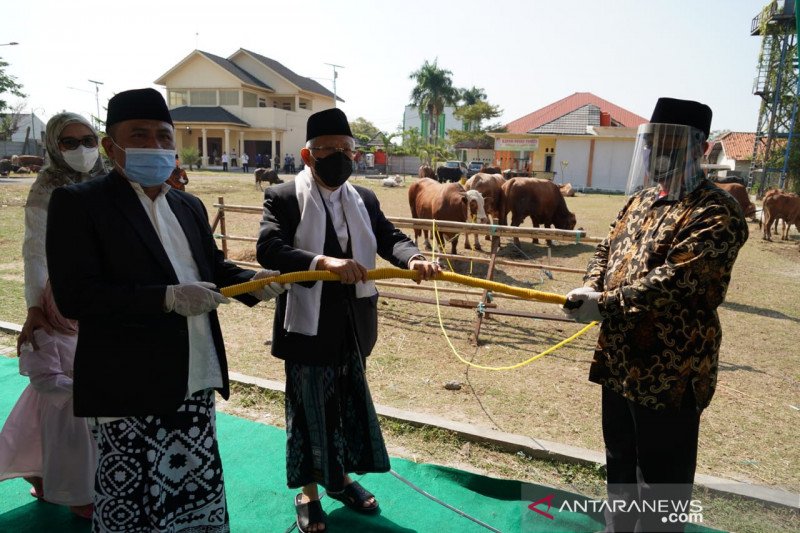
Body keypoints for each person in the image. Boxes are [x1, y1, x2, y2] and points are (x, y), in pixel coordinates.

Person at [46, 88, 287, 532]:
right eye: (139, 135)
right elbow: (76, 296)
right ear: (110, 145)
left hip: (192, 375)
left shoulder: (188, 205)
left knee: (195, 491)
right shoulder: (80, 205)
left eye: (163, 137)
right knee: (130, 499)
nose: (154, 147)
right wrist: (166, 298)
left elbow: (212, 268)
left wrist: (256, 284)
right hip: (126, 383)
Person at [563, 97, 748, 533]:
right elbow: (607, 249)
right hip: (619, 360)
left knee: (662, 482)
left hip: (671, 368)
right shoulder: (641, 201)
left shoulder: (714, 209)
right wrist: (592, 284)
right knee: (620, 464)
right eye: (654, 142)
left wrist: (603, 304)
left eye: (670, 143)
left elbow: (679, 280)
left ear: (700, 149)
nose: (657, 152)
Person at [257, 108, 440, 533]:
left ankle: (339, 481)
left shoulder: (365, 199)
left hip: (354, 324)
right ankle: (309, 493)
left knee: (341, 407)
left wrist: (413, 256)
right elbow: (269, 247)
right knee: (306, 412)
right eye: (329, 150)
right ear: (307, 154)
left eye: (347, 150)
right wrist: (322, 261)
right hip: (307, 326)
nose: (341, 157)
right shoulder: (283, 197)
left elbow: (388, 236)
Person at [0, 281, 95, 520]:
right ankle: (78, 499)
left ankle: (56, 485)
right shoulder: (43, 334)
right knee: (63, 451)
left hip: (80, 403)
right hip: (58, 408)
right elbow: (43, 378)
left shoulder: (79, 330)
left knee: (66, 451)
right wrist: (80, 387)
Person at [17, 112, 105, 355]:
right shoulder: (46, 190)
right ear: (55, 146)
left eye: (89, 141)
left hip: (113, 294)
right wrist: (35, 307)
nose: (82, 149)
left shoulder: (109, 182)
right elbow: (35, 251)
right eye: (70, 142)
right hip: (69, 298)